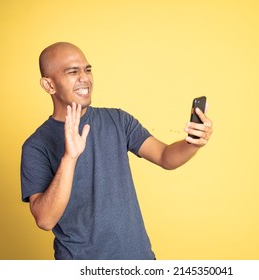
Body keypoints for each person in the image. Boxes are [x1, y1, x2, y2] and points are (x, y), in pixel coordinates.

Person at [20, 42, 213, 260]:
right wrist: (69, 157)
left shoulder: (117, 120)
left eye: (88, 69)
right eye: (73, 72)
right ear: (48, 85)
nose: (85, 78)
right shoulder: (36, 145)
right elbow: (45, 220)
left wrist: (193, 143)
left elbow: (164, 157)